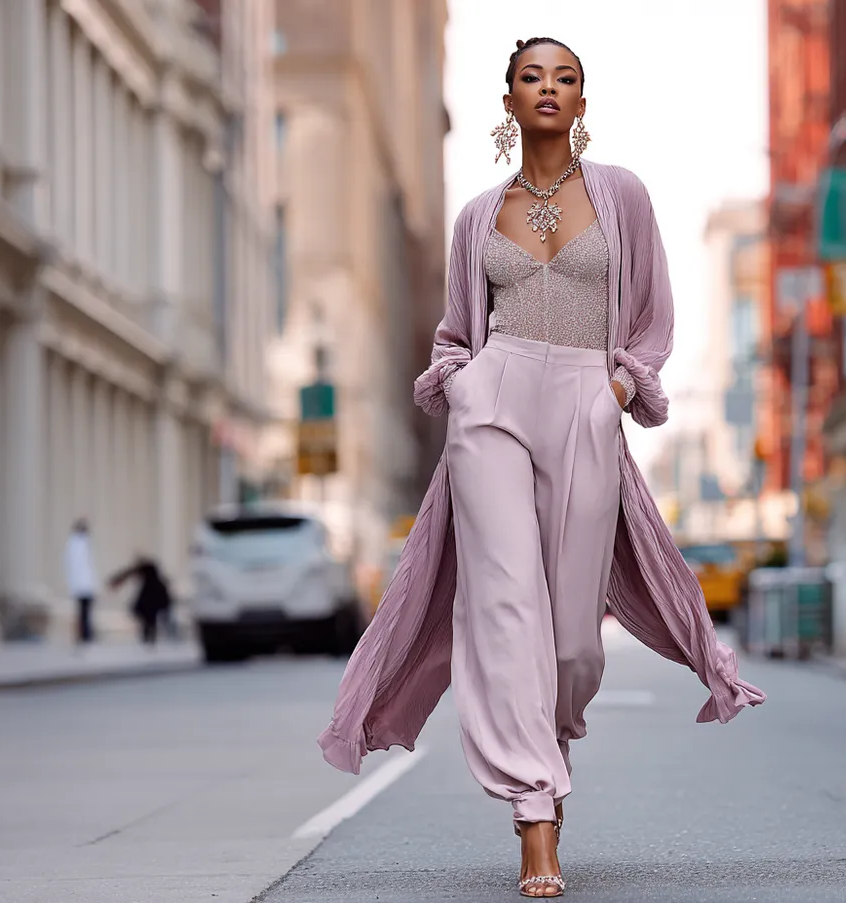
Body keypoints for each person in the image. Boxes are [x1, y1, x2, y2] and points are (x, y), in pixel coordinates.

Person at [318, 37, 764, 898]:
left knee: (569, 642)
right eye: (533, 78)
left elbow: (651, 316)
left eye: (566, 79)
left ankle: (548, 747)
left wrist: (623, 384)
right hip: (493, 402)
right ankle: (535, 816)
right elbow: (456, 329)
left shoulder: (624, 196)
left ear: (583, 103)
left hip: (587, 404)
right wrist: (461, 376)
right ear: (510, 102)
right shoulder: (476, 217)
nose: (549, 89)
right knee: (504, 607)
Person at [108, 556, 171, 646]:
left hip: (152, 596)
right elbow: (128, 574)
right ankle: (149, 638)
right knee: (149, 619)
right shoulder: (150, 573)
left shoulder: (147, 570)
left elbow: (128, 573)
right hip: (151, 596)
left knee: (149, 619)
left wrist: (116, 582)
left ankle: (149, 638)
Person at [63, 518, 97, 644]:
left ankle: (86, 635)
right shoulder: (75, 543)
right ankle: (84, 635)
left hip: (85, 584)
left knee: (85, 612)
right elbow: (76, 567)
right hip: (81, 585)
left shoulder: (84, 543)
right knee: (83, 613)